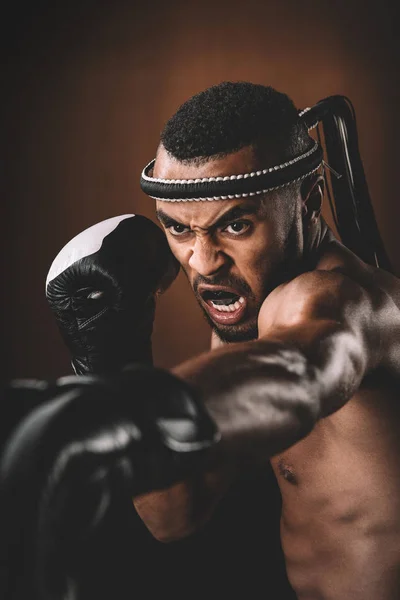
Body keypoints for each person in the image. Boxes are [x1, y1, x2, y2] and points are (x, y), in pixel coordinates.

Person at [4, 81, 399, 600]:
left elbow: (300, 372)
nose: (204, 262)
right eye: (179, 230)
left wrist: (117, 418)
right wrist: (114, 366)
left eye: (236, 225)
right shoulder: (247, 303)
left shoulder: (342, 304)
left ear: (307, 198)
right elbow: (175, 513)